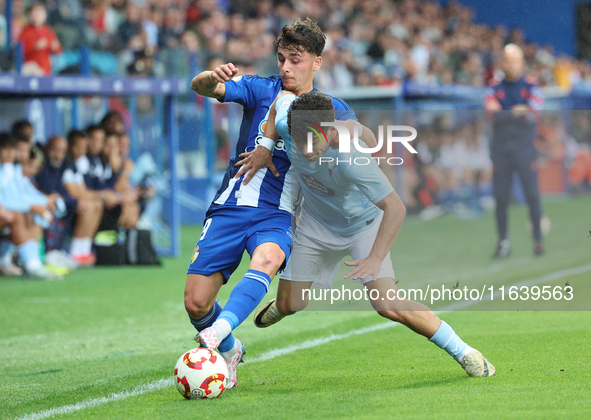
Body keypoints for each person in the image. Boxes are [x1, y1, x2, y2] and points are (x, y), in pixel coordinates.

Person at [251, 91, 496, 377]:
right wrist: (266, 146)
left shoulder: (351, 159)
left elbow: (395, 207)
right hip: (315, 225)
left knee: (387, 305)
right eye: (300, 140)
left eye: (314, 140)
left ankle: (466, 353)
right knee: (290, 304)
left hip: (362, 228)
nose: (306, 149)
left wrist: (375, 257)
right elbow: (280, 100)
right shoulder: (289, 123)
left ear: (330, 132)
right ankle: (283, 304)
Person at [186, 18, 358, 388]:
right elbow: (202, 87)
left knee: (268, 257)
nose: (285, 67)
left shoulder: (332, 108)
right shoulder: (259, 88)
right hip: (231, 204)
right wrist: (208, 75)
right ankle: (230, 348)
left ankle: (216, 335)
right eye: (281, 58)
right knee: (195, 303)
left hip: (277, 213)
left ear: (316, 62)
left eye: (295, 59)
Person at [484, 44, 544, 258]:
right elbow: (491, 115)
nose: (511, 64)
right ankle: (503, 243)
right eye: (507, 60)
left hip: (525, 149)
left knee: (532, 195)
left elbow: (534, 114)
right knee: (501, 198)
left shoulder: (531, 85)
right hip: (501, 150)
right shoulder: (493, 86)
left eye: (515, 60)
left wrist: (506, 112)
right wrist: (518, 111)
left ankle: (538, 241)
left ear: (521, 62)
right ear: (502, 62)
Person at [18, 3, 62, 76]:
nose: (37, 16)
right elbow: (19, 51)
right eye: (35, 13)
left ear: (45, 15)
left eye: (39, 13)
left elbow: (58, 50)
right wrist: (34, 47)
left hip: (44, 70)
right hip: (29, 67)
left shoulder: (48, 31)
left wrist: (55, 47)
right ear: (30, 16)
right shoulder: (25, 32)